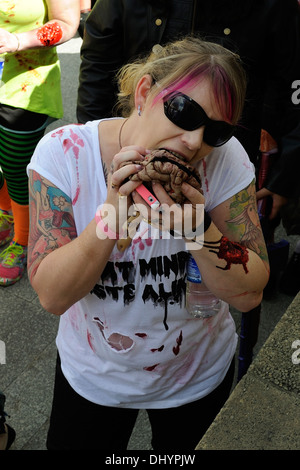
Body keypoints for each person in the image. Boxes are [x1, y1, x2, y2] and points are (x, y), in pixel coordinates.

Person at [27, 36, 269, 450]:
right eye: (184, 112)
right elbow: (52, 296)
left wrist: (200, 233)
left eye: (217, 130)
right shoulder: (65, 153)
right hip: (94, 377)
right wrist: (110, 214)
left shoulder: (224, 162)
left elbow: (249, 294)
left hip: (198, 374)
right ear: (144, 92)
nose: (195, 141)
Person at [0, 0, 80, 286]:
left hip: (24, 89)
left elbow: (68, 24)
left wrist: (18, 40)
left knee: (14, 165)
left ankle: (22, 240)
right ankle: (6, 214)